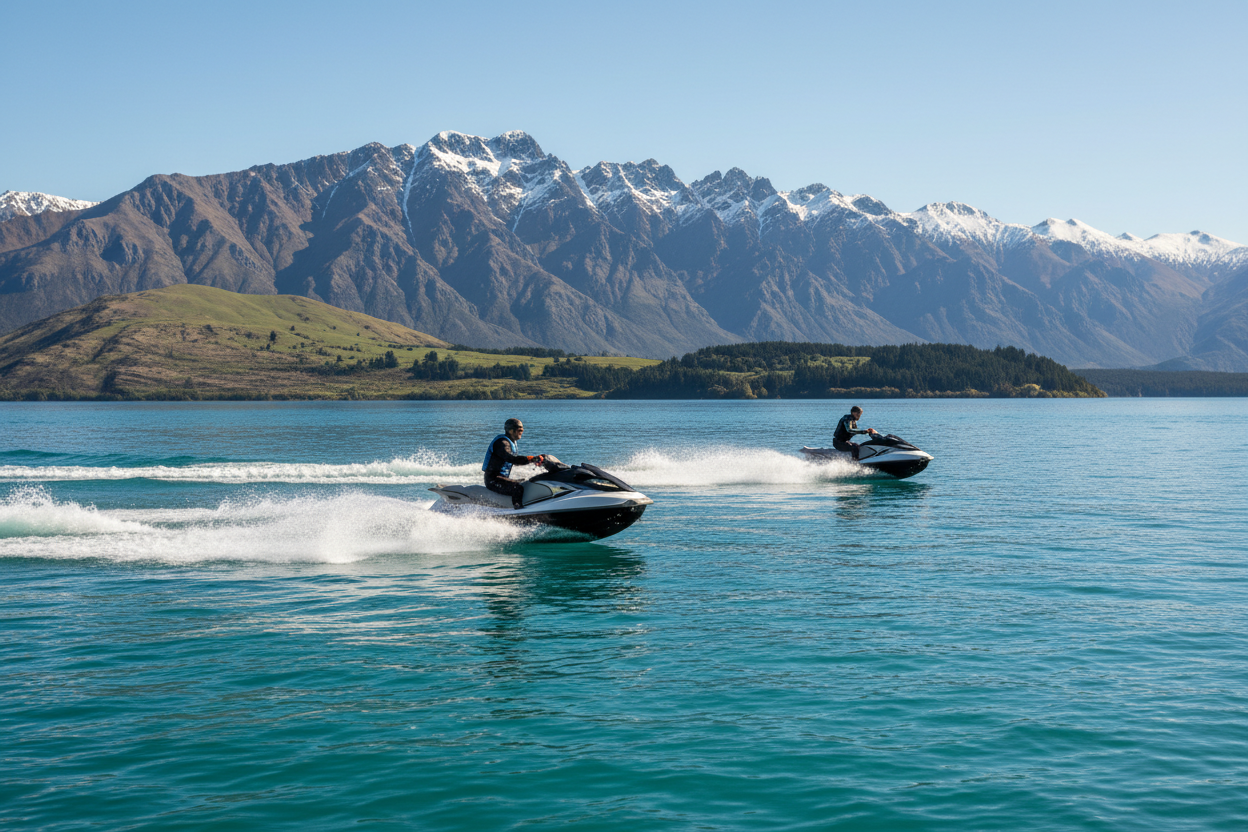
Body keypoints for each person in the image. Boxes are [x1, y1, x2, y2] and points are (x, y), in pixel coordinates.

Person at [482, 418, 545, 509]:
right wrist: (530, 459)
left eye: (522, 430)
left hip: (501, 478)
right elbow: (510, 458)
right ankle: (518, 509)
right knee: (517, 488)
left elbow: (516, 461)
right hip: (493, 480)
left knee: (526, 482)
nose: (521, 432)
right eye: (519, 430)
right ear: (511, 431)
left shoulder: (511, 442)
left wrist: (539, 459)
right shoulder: (502, 443)